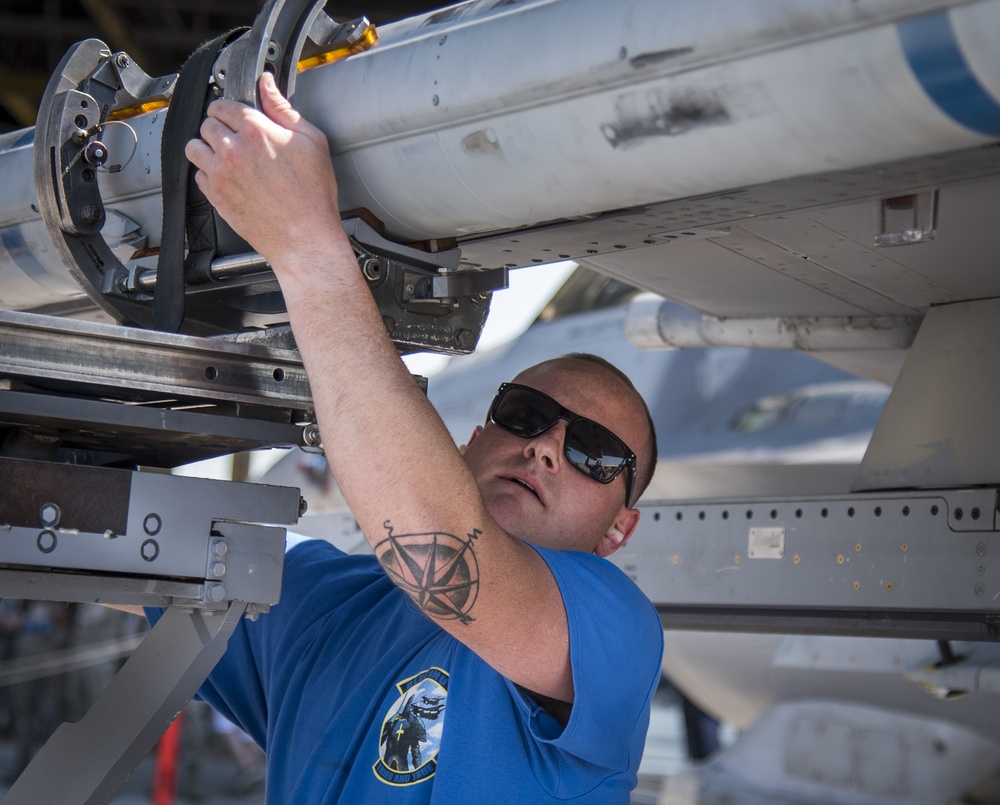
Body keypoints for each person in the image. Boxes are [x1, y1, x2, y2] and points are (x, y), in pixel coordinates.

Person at [147, 71, 664, 802]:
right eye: (525, 414)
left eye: (593, 454)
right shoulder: (324, 601)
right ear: (474, 437)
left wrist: (306, 243)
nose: (546, 445)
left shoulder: (613, 633)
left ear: (619, 530)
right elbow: (104, 533)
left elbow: (444, 554)